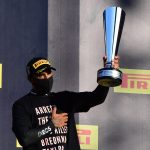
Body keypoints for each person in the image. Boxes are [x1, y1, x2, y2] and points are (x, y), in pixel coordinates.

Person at [12, 56, 119, 150]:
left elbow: (97, 98)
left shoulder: (64, 98)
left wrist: (107, 73)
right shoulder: (22, 105)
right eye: (41, 74)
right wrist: (51, 125)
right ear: (31, 79)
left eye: (48, 72)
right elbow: (25, 139)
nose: (46, 78)